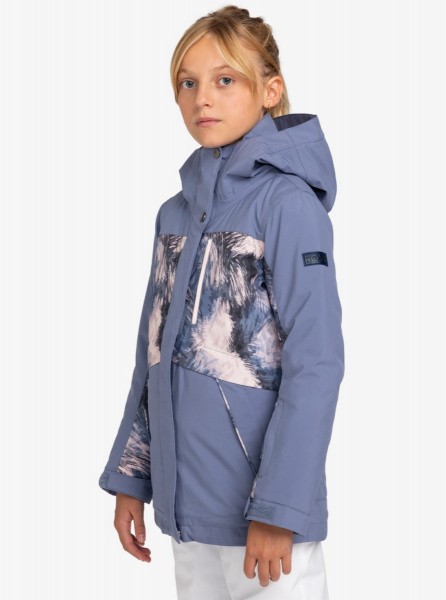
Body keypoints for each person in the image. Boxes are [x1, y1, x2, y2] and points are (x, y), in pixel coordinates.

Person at [98, 5, 345, 599]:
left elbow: (317, 362)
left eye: (225, 79)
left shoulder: (287, 205)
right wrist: (133, 474)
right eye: (187, 83)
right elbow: (152, 355)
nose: (202, 97)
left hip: (264, 519)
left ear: (270, 90)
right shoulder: (174, 215)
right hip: (189, 511)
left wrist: (280, 507)